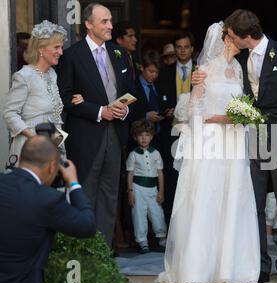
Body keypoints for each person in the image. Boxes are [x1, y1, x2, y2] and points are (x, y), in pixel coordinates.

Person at [157, 22, 260, 283]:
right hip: (212, 140)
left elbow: (241, 103)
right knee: (208, 198)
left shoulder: (238, 68)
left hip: (234, 142)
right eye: (237, 37)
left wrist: (242, 117)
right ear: (227, 39)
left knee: (232, 198)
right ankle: (199, 268)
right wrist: (222, 118)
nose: (243, 41)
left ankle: (228, 267)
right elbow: (192, 109)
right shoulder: (203, 70)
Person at [223, 9, 277, 283]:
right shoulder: (244, 58)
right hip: (257, 136)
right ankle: (261, 264)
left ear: (247, 36)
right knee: (256, 203)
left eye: (233, 35)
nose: (231, 39)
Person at [56, 3, 135, 247]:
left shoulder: (118, 53)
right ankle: (83, 255)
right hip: (86, 138)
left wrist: (124, 110)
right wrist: (99, 111)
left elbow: (129, 91)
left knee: (110, 197)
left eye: (110, 21)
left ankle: (103, 255)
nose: (110, 26)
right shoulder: (72, 56)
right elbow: (64, 98)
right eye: (104, 21)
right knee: (85, 195)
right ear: (88, 24)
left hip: (116, 136)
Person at [0, 136, 96, 283]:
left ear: (19, 160)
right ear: (53, 167)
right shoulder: (48, 200)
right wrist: (74, 183)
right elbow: (87, 226)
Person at [3, 21, 83, 167]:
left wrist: (72, 100)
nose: (61, 52)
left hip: (53, 146)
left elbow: (53, 113)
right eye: (56, 47)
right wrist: (34, 138)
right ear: (41, 49)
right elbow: (9, 113)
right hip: (30, 148)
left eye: (61, 47)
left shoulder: (52, 74)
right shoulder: (24, 75)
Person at [157, 32, 196, 226]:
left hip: (196, 133)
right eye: (178, 47)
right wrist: (167, 110)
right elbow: (159, 98)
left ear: (192, 49)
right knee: (172, 177)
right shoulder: (165, 71)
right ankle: (172, 222)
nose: (182, 50)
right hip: (171, 132)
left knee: (194, 177)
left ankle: (192, 221)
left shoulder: (201, 69)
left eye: (185, 47)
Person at [127, 120, 166, 254]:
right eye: (141, 135)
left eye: (147, 135)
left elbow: (160, 172)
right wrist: (130, 192)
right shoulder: (133, 154)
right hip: (137, 188)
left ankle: (161, 238)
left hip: (153, 188)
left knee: (157, 214)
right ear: (135, 137)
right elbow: (130, 173)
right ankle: (142, 241)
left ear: (152, 136)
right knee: (139, 214)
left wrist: (161, 191)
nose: (144, 138)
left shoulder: (156, 153)